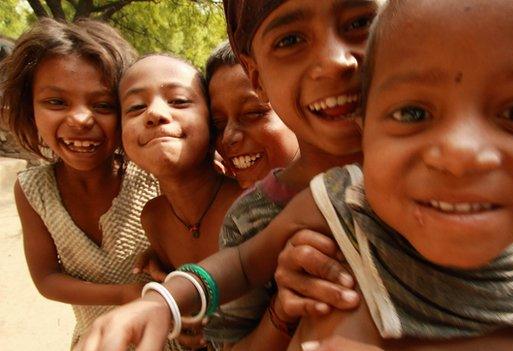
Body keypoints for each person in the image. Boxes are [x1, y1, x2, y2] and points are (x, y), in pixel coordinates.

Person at [79, 0, 513, 350]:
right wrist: (163, 304)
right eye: (415, 113)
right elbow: (243, 261)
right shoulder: (343, 201)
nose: (460, 153)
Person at [77, 1, 381, 350]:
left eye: (360, 22)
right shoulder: (308, 201)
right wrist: (164, 300)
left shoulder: (442, 161)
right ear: (258, 77)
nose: (334, 61)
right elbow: (241, 263)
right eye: (291, 40)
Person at [0, 18, 159, 347]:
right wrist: (123, 294)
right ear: (30, 111)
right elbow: (46, 278)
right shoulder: (34, 191)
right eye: (56, 102)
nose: (80, 119)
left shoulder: (153, 176)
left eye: (102, 105)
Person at [119, 53, 245, 349]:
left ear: (212, 121)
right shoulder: (153, 218)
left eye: (179, 101)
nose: (156, 113)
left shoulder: (247, 202)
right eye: (136, 107)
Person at [206, 41, 299, 189]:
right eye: (219, 124)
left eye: (252, 113)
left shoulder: (343, 197)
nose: (228, 137)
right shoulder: (239, 210)